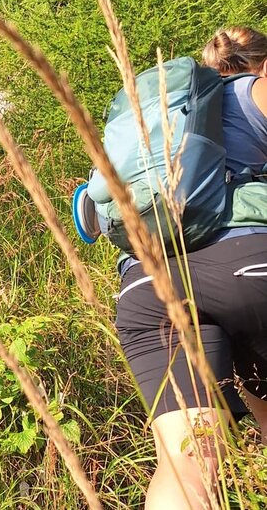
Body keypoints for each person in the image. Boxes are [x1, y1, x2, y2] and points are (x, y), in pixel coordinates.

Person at [112, 26, 267, 509]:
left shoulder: (147, 127)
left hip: (148, 283)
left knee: (188, 465)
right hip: (249, 263)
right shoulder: (255, 92)